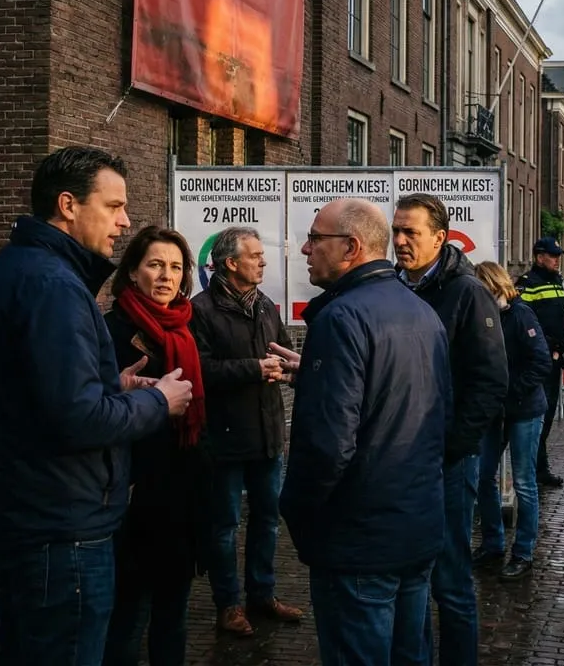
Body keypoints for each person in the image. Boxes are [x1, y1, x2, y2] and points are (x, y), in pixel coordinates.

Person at [0, 146, 193, 666]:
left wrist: (112, 383)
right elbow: (77, 418)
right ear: (68, 204)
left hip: (28, 514)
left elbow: (33, 393)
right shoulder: (53, 287)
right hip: (61, 525)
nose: (125, 221)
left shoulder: (20, 271)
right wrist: (159, 400)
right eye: (113, 206)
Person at [279, 198, 452, 665]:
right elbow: (431, 413)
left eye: (316, 239)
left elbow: (328, 444)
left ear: (351, 247)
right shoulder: (423, 313)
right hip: (415, 527)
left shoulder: (341, 318)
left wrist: (294, 509)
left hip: (359, 540)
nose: (304, 249)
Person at [392, 193, 508, 666]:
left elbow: (490, 380)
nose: (399, 241)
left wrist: (454, 447)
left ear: (439, 238)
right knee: (410, 576)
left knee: (452, 579)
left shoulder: (466, 291)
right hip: (402, 458)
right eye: (396, 231)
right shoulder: (396, 285)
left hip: (446, 460)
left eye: (410, 232)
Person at [102, 226, 211, 666]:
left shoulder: (187, 328)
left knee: (174, 613)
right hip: (134, 493)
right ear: (131, 272)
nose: (166, 276)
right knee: (128, 615)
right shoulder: (111, 330)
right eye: (155, 265)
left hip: (182, 494)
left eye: (176, 267)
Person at [190, 226, 303, 637]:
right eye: (254, 255)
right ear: (230, 263)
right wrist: (253, 369)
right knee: (224, 526)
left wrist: (291, 369)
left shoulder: (267, 307)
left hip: (268, 435)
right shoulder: (201, 309)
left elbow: (283, 349)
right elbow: (198, 370)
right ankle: (229, 604)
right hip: (224, 439)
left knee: (268, 520)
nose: (263, 261)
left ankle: (263, 594)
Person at [473, 262, 552, 581]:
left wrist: (513, 392)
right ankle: (492, 543)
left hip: (524, 410)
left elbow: (541, 361)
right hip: (495, 410)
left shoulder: (521, 315)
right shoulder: (484, 317)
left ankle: (523, 552)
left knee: (523, 482)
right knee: (482, 476)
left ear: (494, 286)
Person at [516, 237, 564, 488]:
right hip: (539, 360)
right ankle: (533, 469)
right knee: (538, 414)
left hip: (554, 358)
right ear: (539, 257)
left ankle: (540, 467)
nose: (557, 260)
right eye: (553, 256)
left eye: (558, 256)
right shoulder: (529, 284)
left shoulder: (556, 281)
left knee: (547, 415)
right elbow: (522, 321)